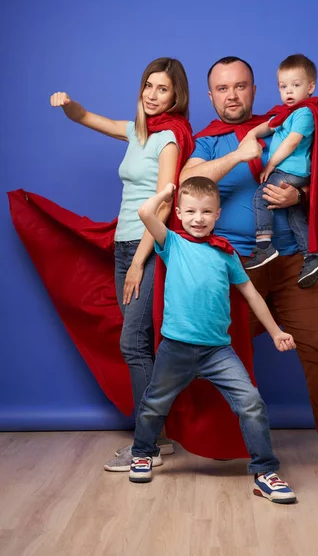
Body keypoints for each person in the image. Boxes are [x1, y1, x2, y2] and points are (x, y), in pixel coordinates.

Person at [180, 56, 318, 472]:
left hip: (291, 262)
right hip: (238, 268)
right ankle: (218, 439)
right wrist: (241, 152)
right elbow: (190, 180)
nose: (232, 95)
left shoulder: (283, 120)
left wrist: (300, 196)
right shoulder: (206, 140)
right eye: (223, 89)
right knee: (214, 353)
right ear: (210, 96)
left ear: (254, 89)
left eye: (240, 86)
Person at [50, 57, 194, 472]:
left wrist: (140, 262)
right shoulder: (137, 132)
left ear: (176, 95)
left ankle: (145, 446)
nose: (152, 95)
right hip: (123, 245)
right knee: (138, 342)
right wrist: (67, 104)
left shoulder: (169, 138)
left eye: (162, 89)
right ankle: (157, 440)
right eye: (148, 86)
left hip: (148, 247)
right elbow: (88, 118)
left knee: (133, 343)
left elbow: (164, 204)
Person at [129, 176, 297, 505]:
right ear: (177, 213)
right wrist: (165, 193)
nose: (198, 218)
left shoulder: (226, 255)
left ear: (217, 215)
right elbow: (145, 212)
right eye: (190, 211)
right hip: (175, 348)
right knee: (154, 405)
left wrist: (276, 331)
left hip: (217, 351)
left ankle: (265, 472)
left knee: (250, 402)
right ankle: (142, 452)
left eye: (206, 212)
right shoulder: (171, 244)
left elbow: (252, 296)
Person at [243, 54, 318, 290]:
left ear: (310, 87)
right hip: (292, 173)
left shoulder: (305, 113)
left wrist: (270, 164)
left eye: (296, 85)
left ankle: (264, 246)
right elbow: (269, 125)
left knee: (261, 197)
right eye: (283, 86)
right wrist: (252, 134)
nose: (289, 91)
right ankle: (311, 258)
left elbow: (292, 142)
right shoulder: (287, 112)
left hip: (291, 171)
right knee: (294, 216)